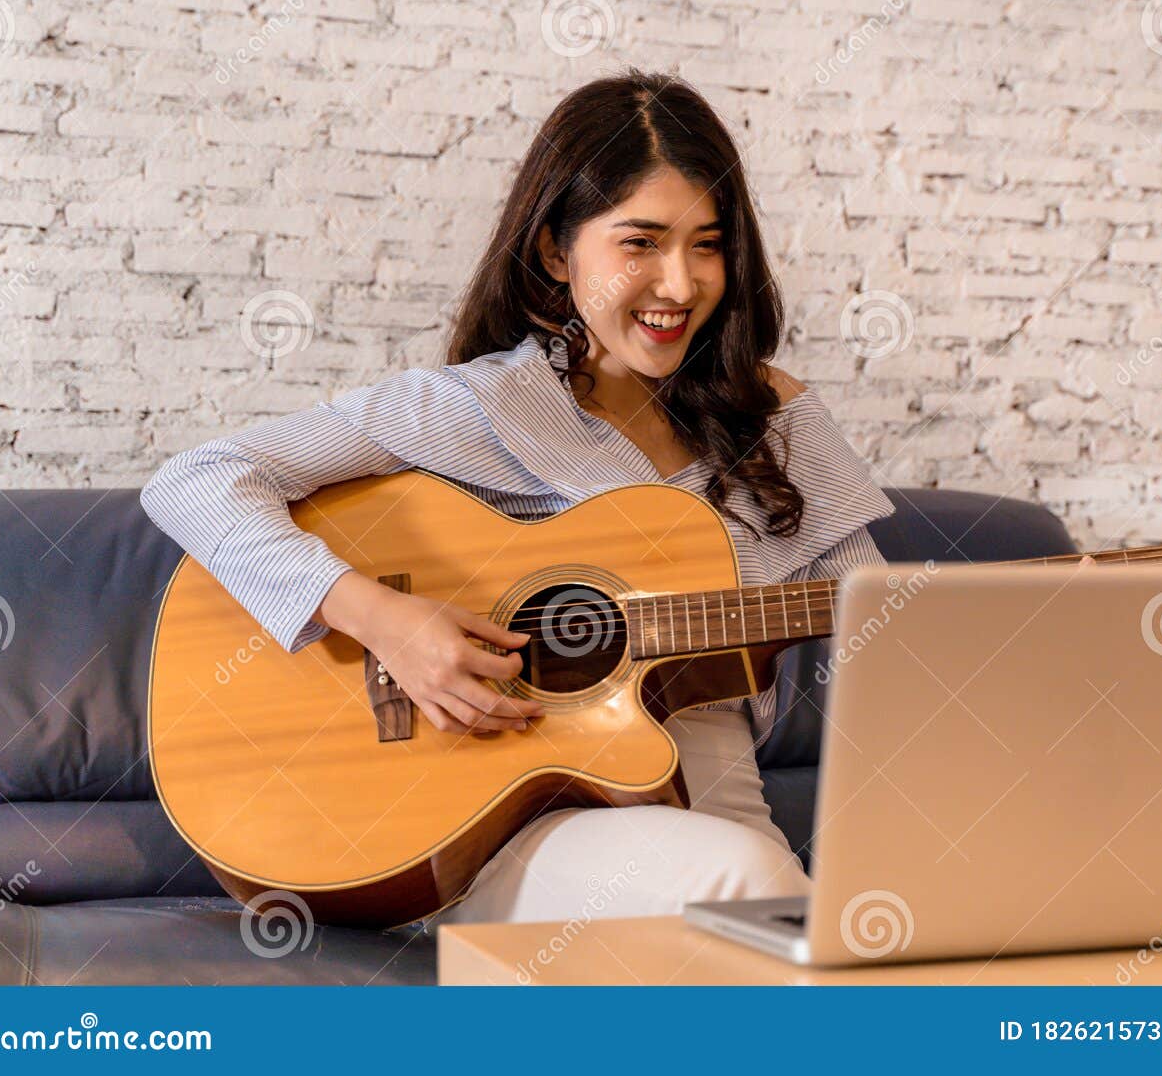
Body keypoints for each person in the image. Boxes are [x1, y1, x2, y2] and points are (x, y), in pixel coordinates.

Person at [139, 69, 898, 927]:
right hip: (485, 833)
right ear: (554, 251)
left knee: (784, 913)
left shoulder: (776, 417)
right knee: (736, 891)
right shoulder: (477, 406)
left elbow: (895, 633)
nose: (680, 285)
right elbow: (196, 480)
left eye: (707, 244)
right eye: (640, 243)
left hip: (713, 811)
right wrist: (385, 621)